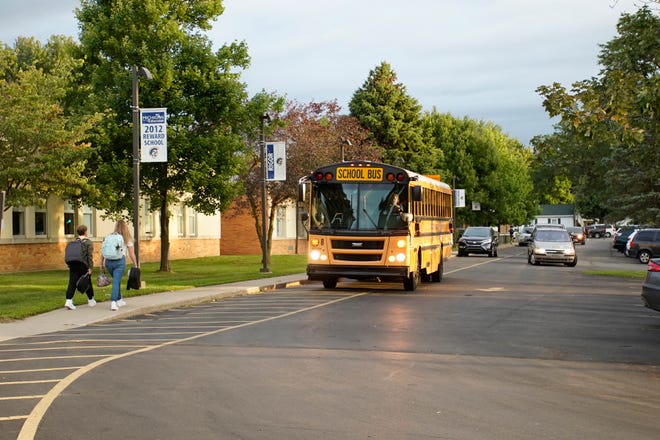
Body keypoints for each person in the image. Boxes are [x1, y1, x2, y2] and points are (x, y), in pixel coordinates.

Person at [100, 219, 139, 311]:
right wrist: (135, 264)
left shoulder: (109, 237)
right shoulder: (127, 238)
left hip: (108, 261)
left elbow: (103, 251)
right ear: (125, 227)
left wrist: (101, 263)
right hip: (119, 262)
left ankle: (119, 299)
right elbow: (131, 253)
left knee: (116, 280)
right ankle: (113, 302)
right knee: (116, 281)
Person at [65, 225, 96, 310]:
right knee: (87, 281)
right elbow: (89, 256)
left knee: (72, 282)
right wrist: (90, 267)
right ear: (85, 231)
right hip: (83, 265)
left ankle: (68, 300)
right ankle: (91, 300)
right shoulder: (88, 242)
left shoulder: (74, 241)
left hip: (73, 264)